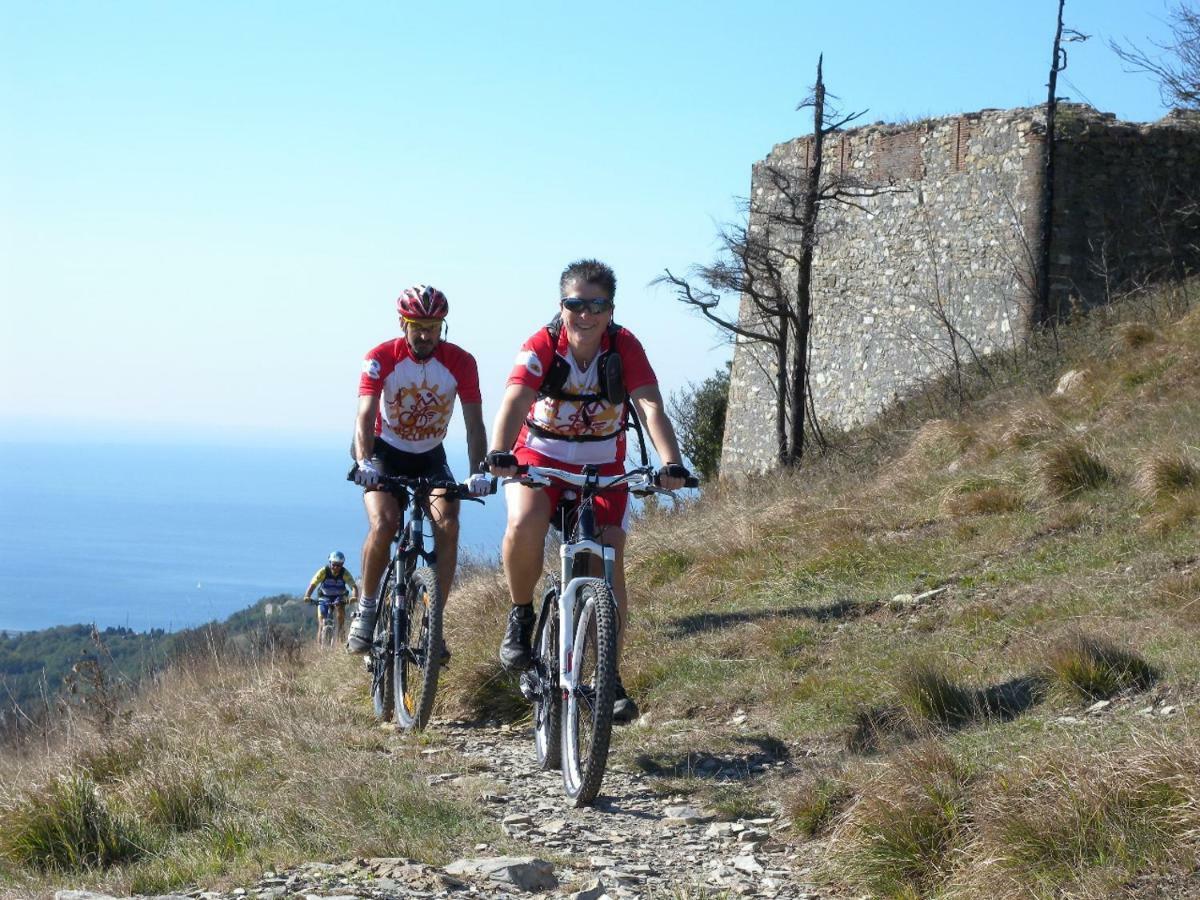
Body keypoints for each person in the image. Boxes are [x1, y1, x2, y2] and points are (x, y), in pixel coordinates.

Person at [486, 259, 691, 723]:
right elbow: (515, 399)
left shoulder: (624, 346)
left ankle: (608, 674)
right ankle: (521, 616)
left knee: (608, 559)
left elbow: (650, 405)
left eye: (596, 305)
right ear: (561, 307)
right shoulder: (542, 344)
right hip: (538, 457)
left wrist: (670, 463)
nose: (585, 315)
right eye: (575, 304)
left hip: (601, 463)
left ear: (610, 309)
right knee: (525, 522)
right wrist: (499, 453)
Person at [347, 284, 490, 654]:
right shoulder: (380, 357)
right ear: (402, 323)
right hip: (384, 452)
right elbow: (364, 416)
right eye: (417, 326)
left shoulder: (461, 362)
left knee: (449, 520)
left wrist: (478, 471)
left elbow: (474, 424)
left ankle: (433, 624)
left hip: (430, 455)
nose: (426, 335)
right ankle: (365, 610)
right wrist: (363, 462)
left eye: (434, 326)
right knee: (384, 522)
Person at [302, 550, 358, 644]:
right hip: (324, 597)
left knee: (340, 614)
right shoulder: (323, 571)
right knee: (321, 623)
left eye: (339, 565)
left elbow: (353, 586)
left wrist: (354, 597)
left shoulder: (344, 573)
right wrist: (307, 596)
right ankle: (320, 648)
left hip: (338, 597)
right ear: (330, 563)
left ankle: (340, 637)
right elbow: (313, 584)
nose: (336, 567)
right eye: (334, 564)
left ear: (342, 565)